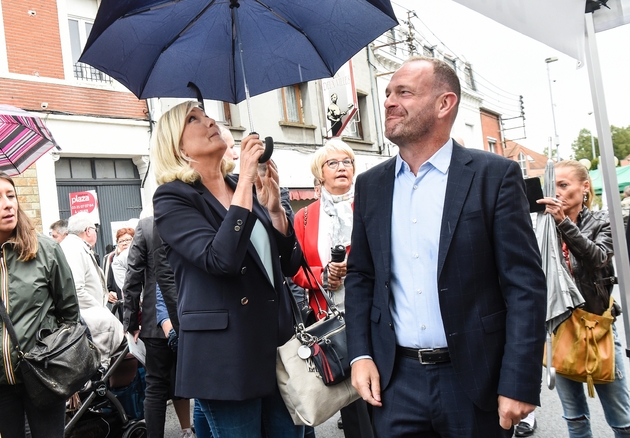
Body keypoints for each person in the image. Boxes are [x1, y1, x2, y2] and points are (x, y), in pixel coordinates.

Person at [344, 56, 547, 438]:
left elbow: (524, 285)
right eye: (387, 93)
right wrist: (360, 353)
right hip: (394, 383)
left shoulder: (494, 176)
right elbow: (361, 276)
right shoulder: (371, 185)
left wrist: (519, 379)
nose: (388, 101)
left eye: (403, 92)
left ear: (444, 104)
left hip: (474, 381)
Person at [151, 101, 303, 438]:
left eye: (207, 115)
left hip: (277, 347)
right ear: (176, 145)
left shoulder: (239, 186)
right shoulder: (173, 197)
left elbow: (289, 264)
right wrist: (247, 182)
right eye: (193, 118)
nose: (209, 121)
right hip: (226, 358)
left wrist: (276, 212)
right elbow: (221, 260)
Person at [538, 160, 630, 438]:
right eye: (553, 187)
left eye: (564, 185)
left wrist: (564, 222)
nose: (558, 193)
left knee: (621, 420)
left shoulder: (604, 221)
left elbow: (598, 258)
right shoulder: (543, 226)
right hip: (559, 327)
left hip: (596, 325)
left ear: (585, 187)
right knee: (574, 418)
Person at [292, 138, 373, 438]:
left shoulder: (370, 205)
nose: (341, 168)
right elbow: (296, 270)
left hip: (374, 312)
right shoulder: (304, 216)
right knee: (350, 400)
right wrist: (324, 274)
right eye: (333, 163)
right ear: (320, 173)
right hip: (332, 320)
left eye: (347, 162)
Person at [0, 172, 81, 438]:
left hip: (43, 374)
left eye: (10, 195)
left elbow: (69, 315)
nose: (7, 203)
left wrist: (67, 369)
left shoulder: (45, 250)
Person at [122, 214, 190, 438]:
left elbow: (133, 275)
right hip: (190, 313)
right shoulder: (191, 216)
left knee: (156, 385)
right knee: (192, 379)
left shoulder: (147, 225)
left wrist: (132, 321)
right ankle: (189, 430)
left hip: (155, 320)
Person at [61, 212, 124, 368]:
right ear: (88, 231)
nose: (96, 232)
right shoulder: (73, 249)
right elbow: (76, 290)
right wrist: (103, 314)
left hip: (92, 324)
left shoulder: (76, 247)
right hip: (90, 325)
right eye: (95, 229)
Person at [104, 227, 135, 320]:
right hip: (122, 307)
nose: (124, 243)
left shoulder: (140, 257)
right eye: (121, 241)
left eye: (128, 240)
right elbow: (108, 285)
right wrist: (109, 294)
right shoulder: (112, 259)